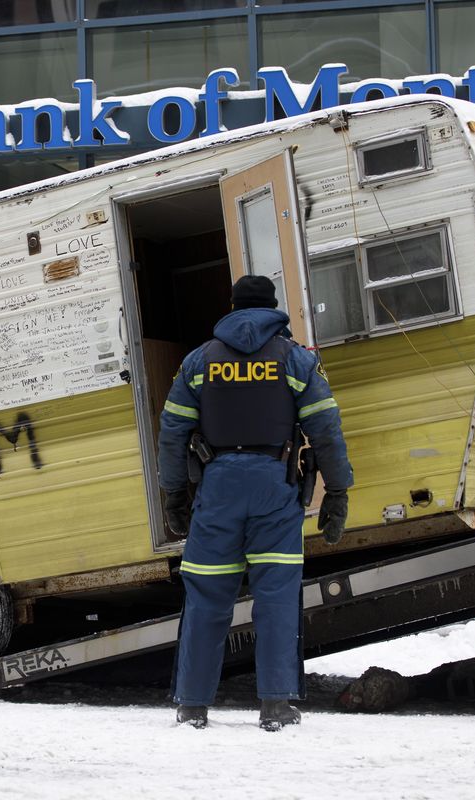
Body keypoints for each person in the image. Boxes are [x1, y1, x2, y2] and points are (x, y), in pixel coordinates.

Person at [158, 274, 352, 731]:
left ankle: (192, 706)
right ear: (273, 308)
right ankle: (276, 706)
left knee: (206, 597)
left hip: (218, 490)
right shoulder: (295, 359)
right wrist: (338, 492)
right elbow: (325, 429)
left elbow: (172, 433)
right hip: (275, 489)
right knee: (277, 598)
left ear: (232, 307)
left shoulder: (199, 361)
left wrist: (174, 495)